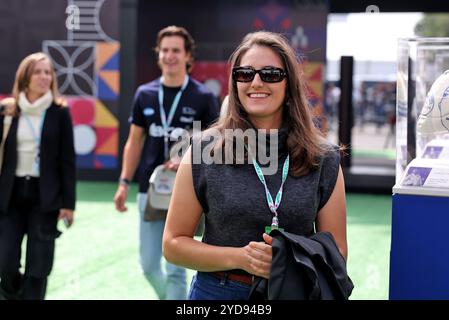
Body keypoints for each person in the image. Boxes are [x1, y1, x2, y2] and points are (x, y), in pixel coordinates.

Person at [162, 31, 348, 300]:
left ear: (289, 85)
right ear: (235, 83)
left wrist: (287, 260)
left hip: (294, 291)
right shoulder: (203, 150)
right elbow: (173, 244)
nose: (256, 82)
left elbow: (337, 250)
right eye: (245, 74)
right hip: (218, 292)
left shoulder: (323, 157)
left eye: (270, 74)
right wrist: (241, 258)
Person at [113, 26, 219, 300]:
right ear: (158, 55)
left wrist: (187, 158)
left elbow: (216, 145)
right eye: (165, 50)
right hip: (150, 189)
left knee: (175, 270)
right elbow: (134, 142)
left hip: (186, 193)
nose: (170, 55)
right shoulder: (144, 94)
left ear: (188, 57)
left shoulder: (204, 97)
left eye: (176, 50)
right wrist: (124, 182)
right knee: (148, 265)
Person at [0, 52, 76, 300]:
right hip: (9, 195)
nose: (44, 77)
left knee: (39, 265)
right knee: (5, 261)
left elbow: (67, 160)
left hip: (45, 197)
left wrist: (68, 204)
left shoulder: (59, 112)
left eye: (48, 72)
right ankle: (13, 294)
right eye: (38, 72)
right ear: (24, 77)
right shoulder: (7, 111)